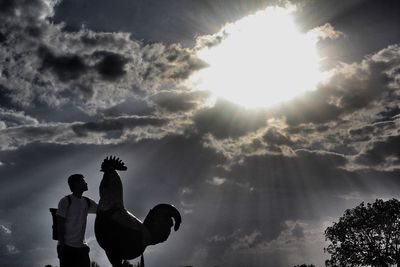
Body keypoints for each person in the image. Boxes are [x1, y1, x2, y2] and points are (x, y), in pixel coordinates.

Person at [56, 174, 98, 267]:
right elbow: (60, 225)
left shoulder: (87, 202)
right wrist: (62, 248)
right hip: (67, 248)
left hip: (82, 249)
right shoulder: (66, 201)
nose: (86, 183)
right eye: (83, 181)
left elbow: (102, 209)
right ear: (76, 184)